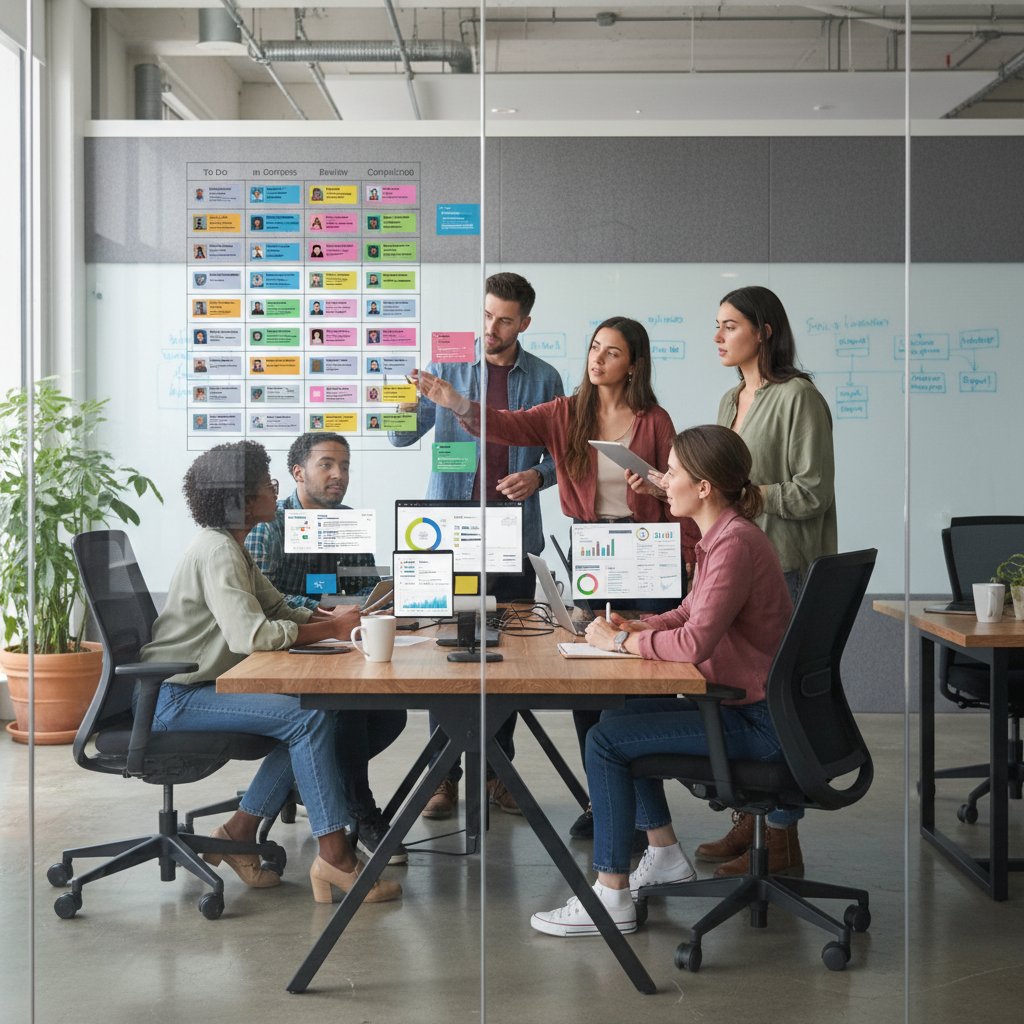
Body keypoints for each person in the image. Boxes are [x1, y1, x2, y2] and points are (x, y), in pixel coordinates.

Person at [413, 314, 699, 836]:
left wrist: (661, 495)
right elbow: (507, 424)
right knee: (591, 684)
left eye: (611, 352)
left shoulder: (655, 420)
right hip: (593, 549)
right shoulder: (567, 412)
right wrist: (457, 405)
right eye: (594, 348)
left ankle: (648, 819)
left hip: (649, 549)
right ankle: (605, 804)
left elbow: (682, 495)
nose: (597, 358)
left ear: (633, 364)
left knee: (643, 689)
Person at [529, 425, 791, 937]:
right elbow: (690, 613)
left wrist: (620, 644)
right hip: (744, 707)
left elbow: (694, 645)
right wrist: (640, 626)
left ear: (705, 487)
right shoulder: (723, 537)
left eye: (673, 472)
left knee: (606, 741)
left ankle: (610, 895)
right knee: (619, 717)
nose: (662, 480)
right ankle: (665, 853)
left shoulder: (735, 544)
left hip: (754, 722)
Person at [140, 441, 401, 904]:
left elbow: (279, 608)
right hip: (178, 696)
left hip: (202, 685)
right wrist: (334, 626)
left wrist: (337, 623)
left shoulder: (232, 546)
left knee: (315, 714)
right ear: (239, 497)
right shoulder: (218, 551)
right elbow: (250, 635)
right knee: (309, 719)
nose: (273, 490)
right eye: (266, 484)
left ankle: (240, 832)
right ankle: (335, 857)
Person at [390, 272, 564, 819]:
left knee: (506, 650)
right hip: (447, 531)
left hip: (513, 532)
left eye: (505, 320)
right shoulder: (446, 368)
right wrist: (406, 393)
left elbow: (568, 455)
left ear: (525, 323)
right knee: (446, 649)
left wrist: (539, 476)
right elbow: (398, 435)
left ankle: (497, 769)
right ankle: (444, 776)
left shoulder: (545, 378)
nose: (492, 328)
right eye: (487, 316)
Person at [693, 285, 837, 879]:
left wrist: (746, 497)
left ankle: (781, 841)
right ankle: (751, 823)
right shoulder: (732, 399)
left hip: (787, 569)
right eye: (717, 325)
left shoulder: (799, 397)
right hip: (740, 569)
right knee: (744, 694)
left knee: (778, 701)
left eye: (730, 325)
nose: (719, 335)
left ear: (765, 331)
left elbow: (812, 491)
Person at [244, 434, 405, 861]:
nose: (339, 475)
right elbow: (261, 597)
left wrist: (368, 601)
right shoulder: (268, 526)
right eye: (327, 465)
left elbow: (364, 584)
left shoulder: (347, 521)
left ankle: (309, 775)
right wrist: (324, 611)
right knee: (347, 709)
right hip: (283, 650)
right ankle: (359, 810)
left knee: (393, 714)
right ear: (298, 472)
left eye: (346, 466)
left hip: (338, 643)